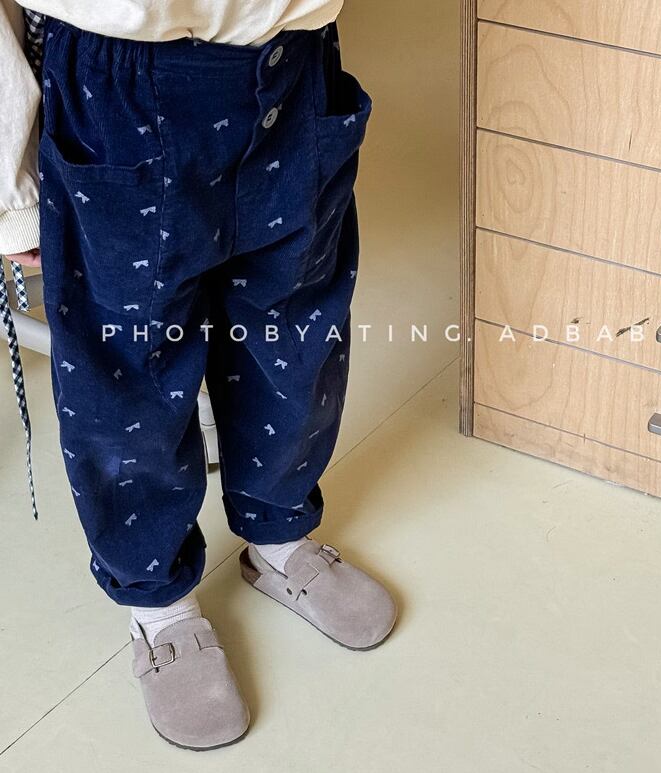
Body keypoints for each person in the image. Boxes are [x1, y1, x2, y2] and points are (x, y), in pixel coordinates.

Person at [0, 0, 397, 750]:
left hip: (295, 60)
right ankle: (158, 602)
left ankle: (279, 532)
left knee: (294, 334)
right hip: (115, 89)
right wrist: (12, 196)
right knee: (128, 378)